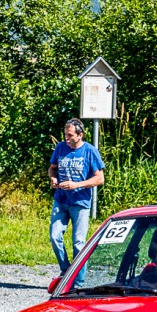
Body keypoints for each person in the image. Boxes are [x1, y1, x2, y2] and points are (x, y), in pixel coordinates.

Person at [49, 118, 105, 281]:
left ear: (80, 135)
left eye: (70, 135)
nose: (66, 138)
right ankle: (66, 271)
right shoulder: (60, 148)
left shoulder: (90, 151)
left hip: (80, 202)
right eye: (65, 134)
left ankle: (78, 282)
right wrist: (53, 179)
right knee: (55, 236)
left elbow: (99, 179)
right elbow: (52, 169)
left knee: (78, 243)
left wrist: (76, 185)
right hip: (61, 200)